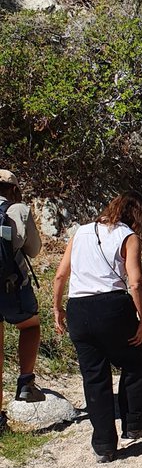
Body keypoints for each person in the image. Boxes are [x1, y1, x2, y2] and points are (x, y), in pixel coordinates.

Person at [53, 191, 142, 462]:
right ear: (137, 216)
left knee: (94, 376)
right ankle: (134, 424)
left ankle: (104, 444)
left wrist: (57, 308)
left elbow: (61, 274)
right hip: (112, 307)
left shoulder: (81, 232)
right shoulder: (128, 237)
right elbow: (135, 282)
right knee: (132, 361)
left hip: (79, 309)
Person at [0, 169, 45, 404]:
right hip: (11, 287)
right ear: (13, 189)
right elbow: (34, 250)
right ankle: (26, 382)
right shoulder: (18, 209)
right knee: (30, 326)